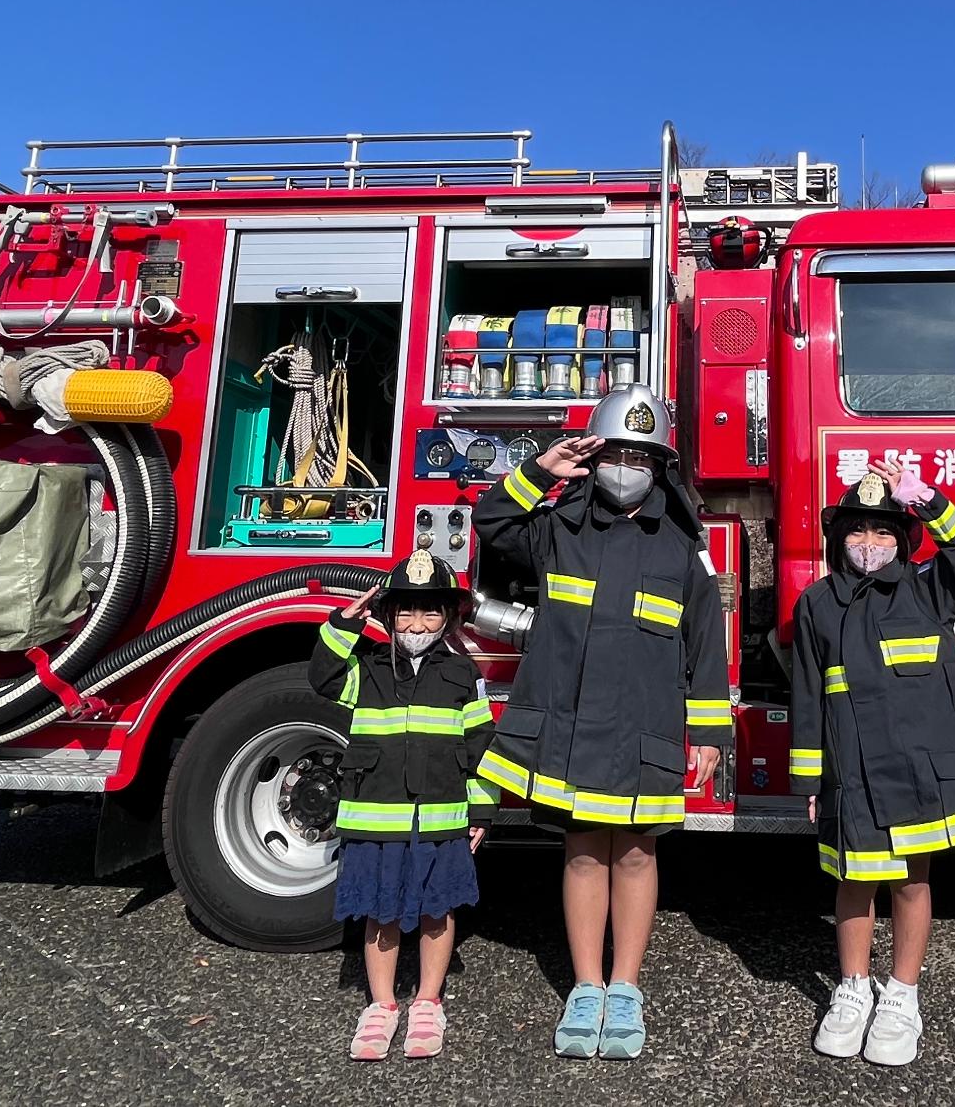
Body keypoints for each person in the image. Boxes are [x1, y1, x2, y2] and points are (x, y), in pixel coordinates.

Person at [471, 383, 730, 1060]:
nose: (625, 467)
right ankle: (586, 986)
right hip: (574, 723)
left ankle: (626, 985)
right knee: (584, 851)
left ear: (661, 469)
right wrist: (539, 470)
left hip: (645, 727)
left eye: (640, 457)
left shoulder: (681, 550)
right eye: (614, 453)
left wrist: (707, 733)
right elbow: (493, 524)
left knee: (639, 853)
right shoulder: (560, 529)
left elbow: (706, 646)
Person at [787, 456, 955, 1067]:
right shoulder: (816, 603)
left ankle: (902, 996)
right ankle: (853, 990)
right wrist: (809, 775)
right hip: (851, 770)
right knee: (852, 881)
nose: (870, 542)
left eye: (884, 530)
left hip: (915, 768)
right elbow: (806, 694)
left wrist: (923, 497)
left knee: (912, 881)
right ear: (839, 538)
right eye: (858, 530)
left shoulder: (928, 590)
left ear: (903, 539)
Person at [308, 550, 496, 1062]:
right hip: (376, 818)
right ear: (388, 617)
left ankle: (429, 1002)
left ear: (448, 617)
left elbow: (482, 746)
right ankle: (383, 1006)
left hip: (441, 817)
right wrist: (343, 624)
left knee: (439, 908)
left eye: (431, 612)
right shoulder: (364, 670)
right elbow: (322, 678)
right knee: (379, 910)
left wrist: (480, 810)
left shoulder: (463, 675)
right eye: (406, 612)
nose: (418, 623)